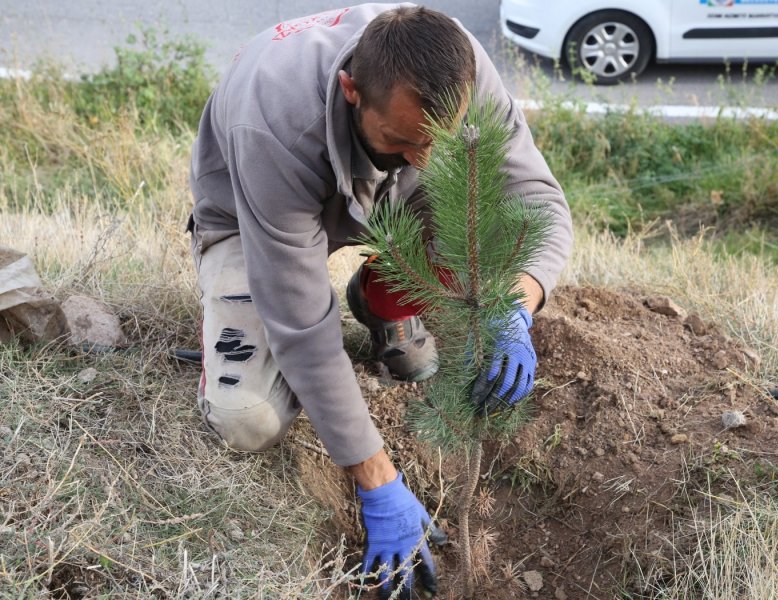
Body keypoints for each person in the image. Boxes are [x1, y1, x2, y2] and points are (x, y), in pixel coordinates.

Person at [187, 3, 572, 597]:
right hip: (252, 218)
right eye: (403, 138)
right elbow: (303, 323)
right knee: (249, 420)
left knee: (471, 212)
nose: (426, 158)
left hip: (385, 195)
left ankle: (381, 297)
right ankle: (232, 350)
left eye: (438, 140)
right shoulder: (274, 122)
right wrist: (378, 479)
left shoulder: (455, 66)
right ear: (351, 91)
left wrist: (515, 306)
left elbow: (538, 201)